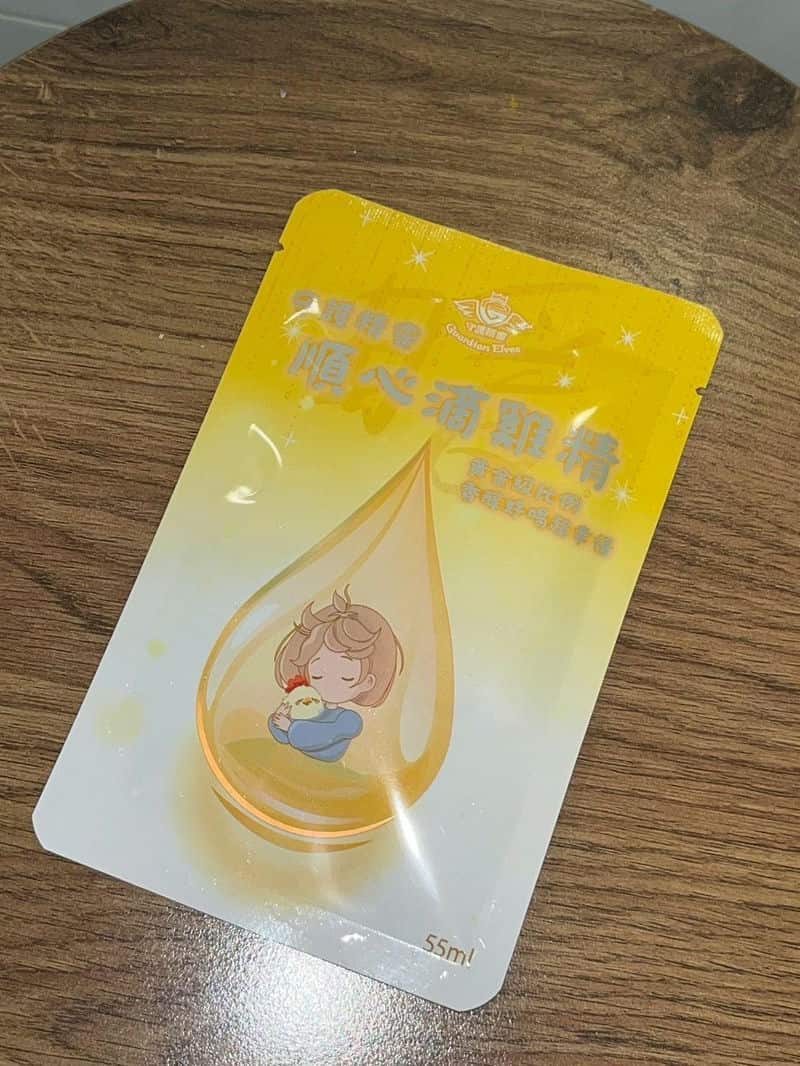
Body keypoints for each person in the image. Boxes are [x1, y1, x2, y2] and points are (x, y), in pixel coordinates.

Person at [268, 586, 403, 763]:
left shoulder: (349, 719)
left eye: (346, 677)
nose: (328, 685)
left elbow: (321, 735)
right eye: (317, 675)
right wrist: (279, 717)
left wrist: (290, 727)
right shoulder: (308, 705)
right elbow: (283, 737)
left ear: (367, 683)